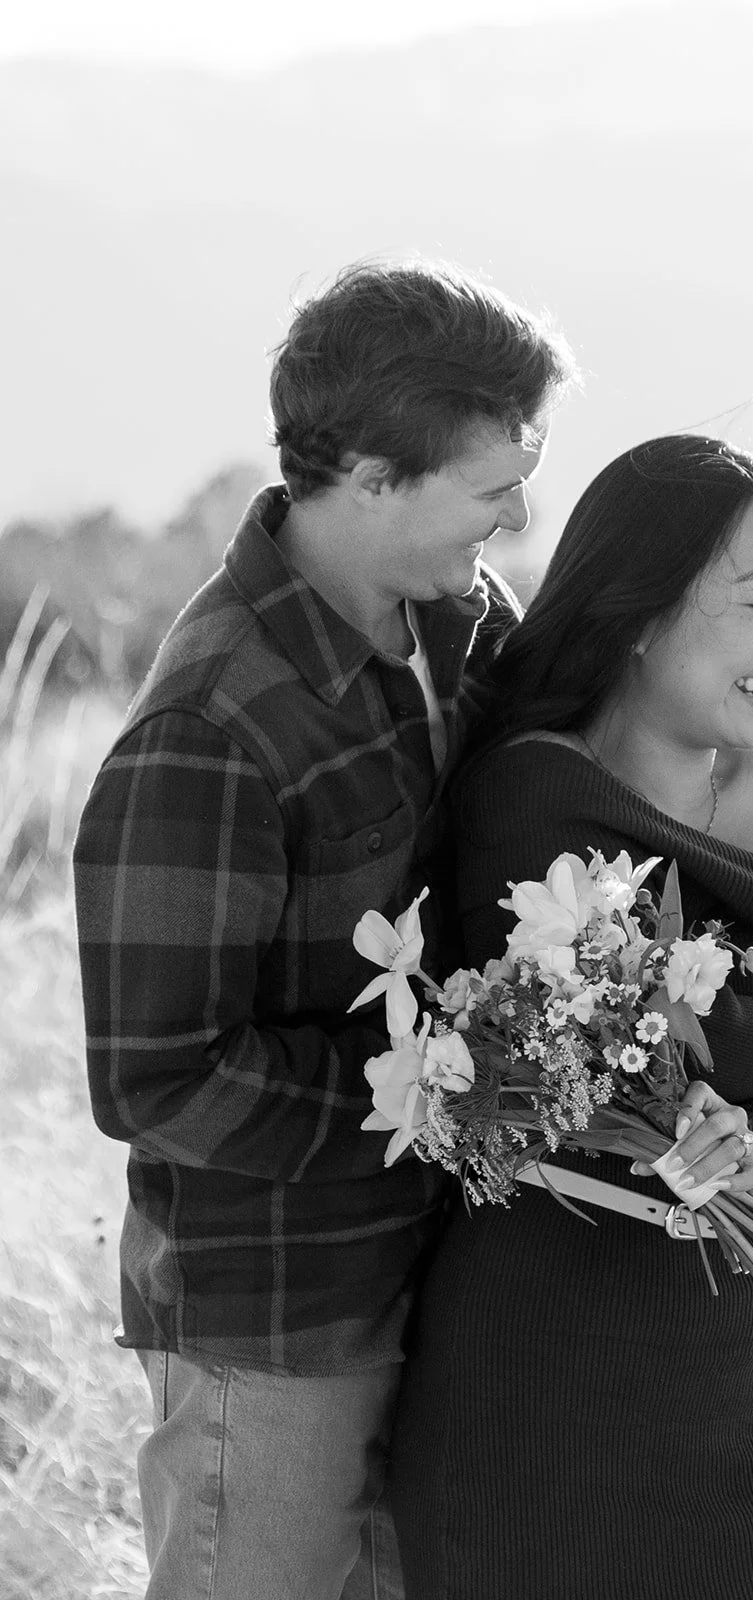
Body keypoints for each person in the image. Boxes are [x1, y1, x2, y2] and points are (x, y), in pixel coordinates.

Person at [72, 259, 577, 1600]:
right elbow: (155, 1076)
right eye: (493, 484)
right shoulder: (212, 728)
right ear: (368, 475)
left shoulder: (459, 627)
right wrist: (426, 1091)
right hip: (275, 1317)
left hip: (437, 1275)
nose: (520, 517)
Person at [387, 434, 753, 1600]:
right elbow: (703, 1038)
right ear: (639, 611)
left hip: (726, 1351)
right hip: (535, 1359)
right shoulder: (531, 786)